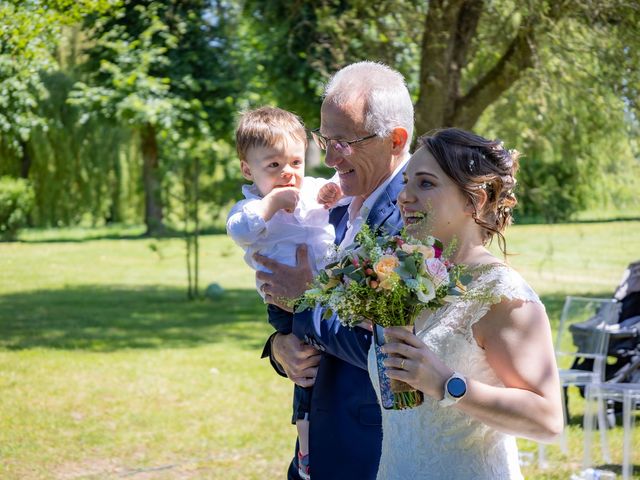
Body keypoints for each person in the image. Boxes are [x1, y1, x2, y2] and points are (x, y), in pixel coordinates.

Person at [370, 128, 564, 479]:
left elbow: (548, 421)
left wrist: (447, 383)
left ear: (474, 199)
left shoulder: (503, 295)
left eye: (425, 184)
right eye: (406, 182)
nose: (404, 197)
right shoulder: (407, 281)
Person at [255, 61, 414, 480]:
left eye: (343, 141)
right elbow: (303, 313)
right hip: (317, 452)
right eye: (324, 139)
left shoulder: (415, 218)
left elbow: (389, 352)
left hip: (374, 455)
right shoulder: (330, 205)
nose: (326, 156)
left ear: (395, 139)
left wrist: (306, 304)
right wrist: (280, 345)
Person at [226, 106, 343, 480]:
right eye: (273, 165)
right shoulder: (251, 207)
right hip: (284, 304)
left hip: (329, 291)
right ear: (249, 170)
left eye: (295, 161)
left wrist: (330, 191)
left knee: (325, 370)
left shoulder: (307, 187)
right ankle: (306, 450)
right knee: (306, 371)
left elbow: (339, 195)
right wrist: (272, 204)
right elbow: (240, 230)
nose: (287, 173)